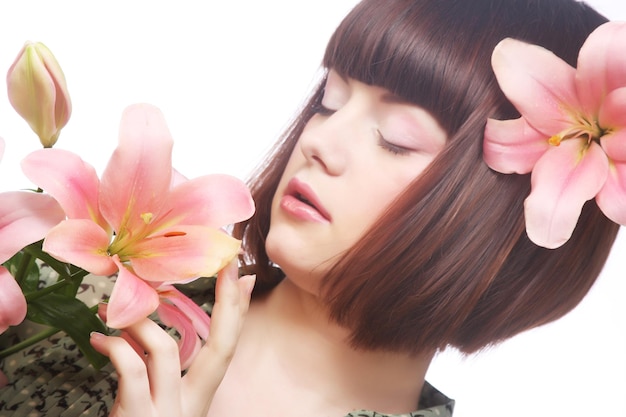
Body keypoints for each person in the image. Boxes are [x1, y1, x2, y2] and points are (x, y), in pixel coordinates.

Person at [0, 0, 623, 416]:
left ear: (498, 222)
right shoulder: (66, 283)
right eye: (329, 100)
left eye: (396, 138)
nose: (318, 142)